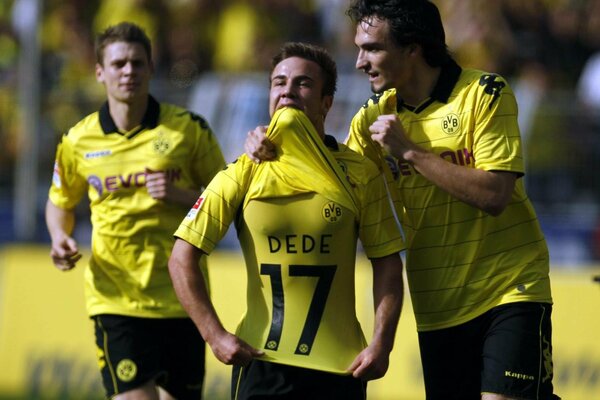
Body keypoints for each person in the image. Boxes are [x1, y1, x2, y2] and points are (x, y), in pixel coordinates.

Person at [245, 1, 560, 399]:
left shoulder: (484, 93)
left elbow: (496, 194)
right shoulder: (371, 118)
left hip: (509, 289)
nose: (360, 62)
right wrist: (270, 141)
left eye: (373, 48)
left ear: (413, 48)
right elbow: (336, 185)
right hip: (436, 305)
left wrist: (410, 152)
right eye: (359, 48)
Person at [168, 42, 405, 399]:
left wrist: (382, 344)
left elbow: (387, 264)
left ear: (327, 102)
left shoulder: (360, 172)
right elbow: (180, 257)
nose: (288, 90)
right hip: (263, 364)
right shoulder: (242, 171)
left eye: (303, 83)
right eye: (279, 82)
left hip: (339, 368)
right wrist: (214, 335)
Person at [45, 22, 225, 400]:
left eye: (137, 64)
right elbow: (60, 201)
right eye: (119, 64)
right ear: (99, 72)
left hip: (183, 297)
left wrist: (180, 195)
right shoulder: (78, 140)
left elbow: (226, 197)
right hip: (115, 298)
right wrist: (59, 236)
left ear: (151, 69)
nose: (129, 72)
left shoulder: (188, 130)